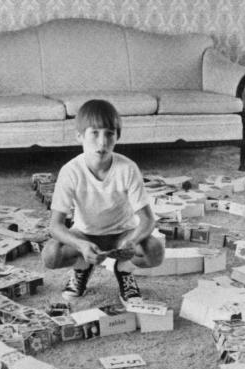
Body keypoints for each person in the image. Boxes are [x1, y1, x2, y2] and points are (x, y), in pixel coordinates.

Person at [43, 99, 163, 304]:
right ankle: (82, 267)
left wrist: (132, 242)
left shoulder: (127, 168)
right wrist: (80, 245)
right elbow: (55, 226)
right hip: (86, 234)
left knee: (154, 251)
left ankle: (124, 270)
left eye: (109, 133)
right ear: (79, 136)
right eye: (94, 133)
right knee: (51, 255)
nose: (102, 142)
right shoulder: (70, 170)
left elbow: (147, 220)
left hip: (122, 234)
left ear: (118, 136)